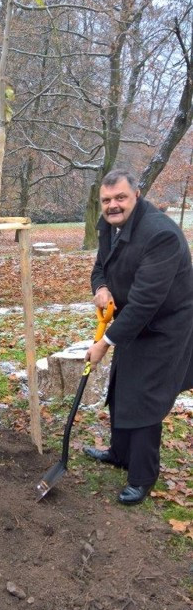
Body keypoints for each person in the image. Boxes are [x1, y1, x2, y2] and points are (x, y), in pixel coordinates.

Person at [84, 168, 193, 505]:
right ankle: (119, 453)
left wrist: (105, 343)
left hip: (165, 325)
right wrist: (101, 287)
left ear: (137, 195)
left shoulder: (160, 235)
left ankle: (142, 477)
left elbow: (147, 301)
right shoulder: (109, 225)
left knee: (145, 396)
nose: (113, 205)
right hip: (132, 318)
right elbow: (100, 266)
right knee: (122, 385)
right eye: (107, 200)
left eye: (120, 198)